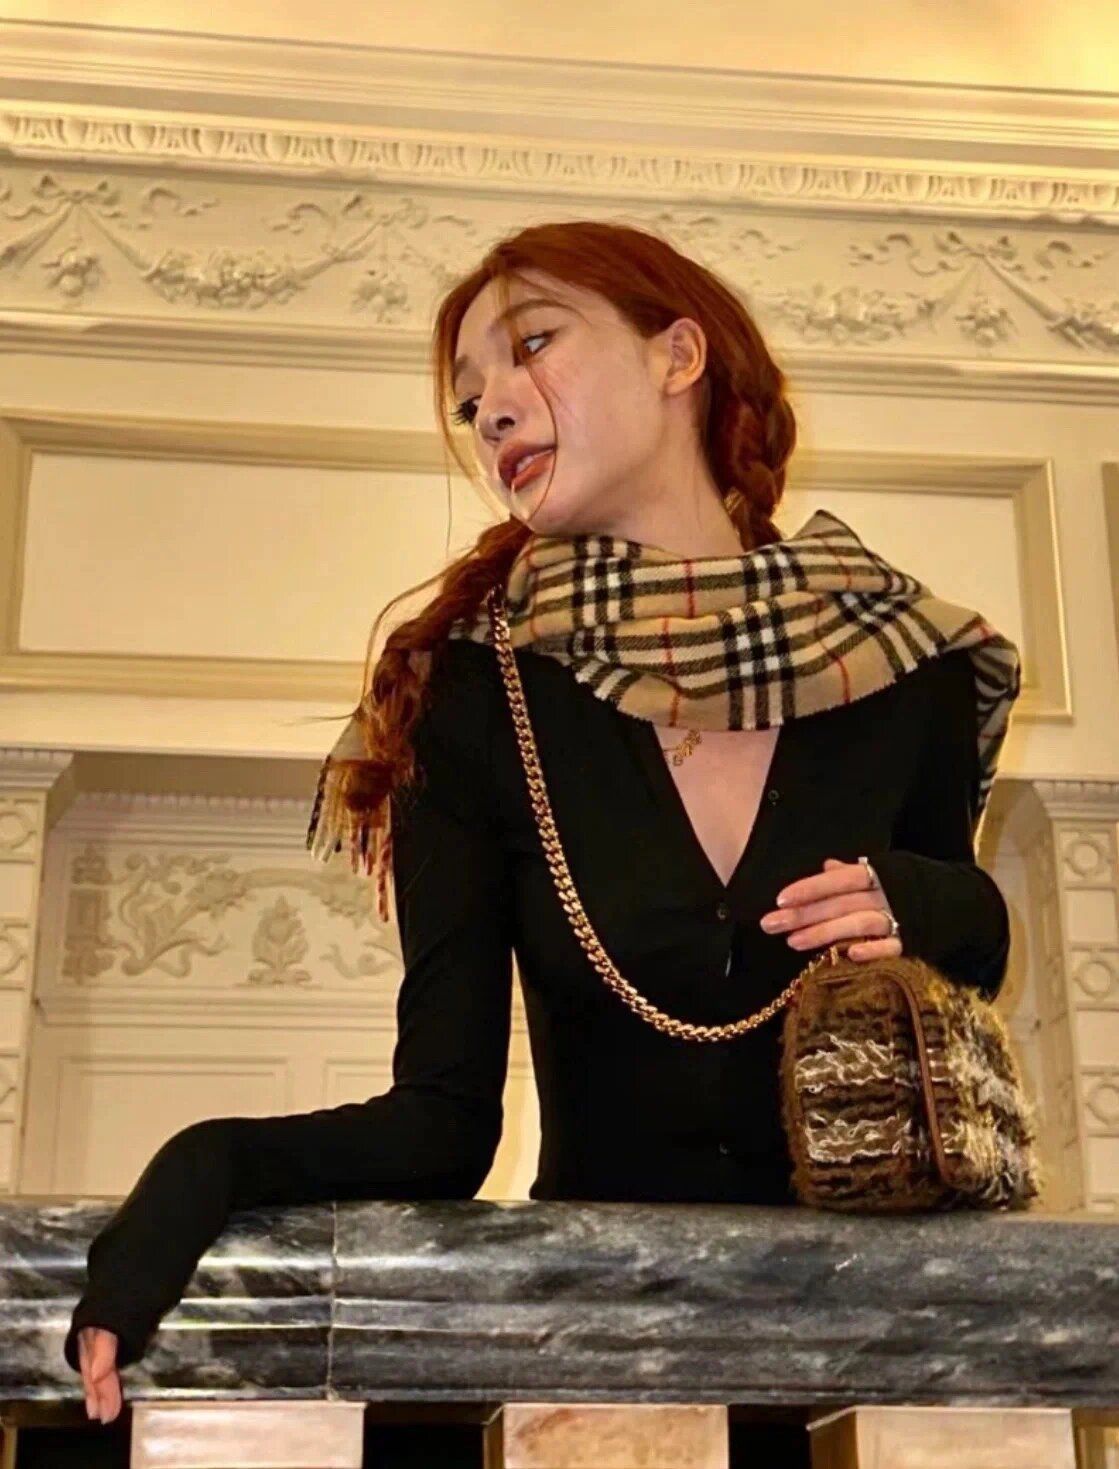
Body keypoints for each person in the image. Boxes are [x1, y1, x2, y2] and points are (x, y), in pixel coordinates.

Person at [66, 221, 1020, 1458]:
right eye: (471, 400)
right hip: (601, 1387)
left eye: (532, 347)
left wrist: (928, 905)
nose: (494, 412)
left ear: (678, 356)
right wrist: (206, 1165)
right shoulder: (467, 698)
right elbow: (442, 1123)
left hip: (882, 1375)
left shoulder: (908, 666)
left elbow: (966, 963)